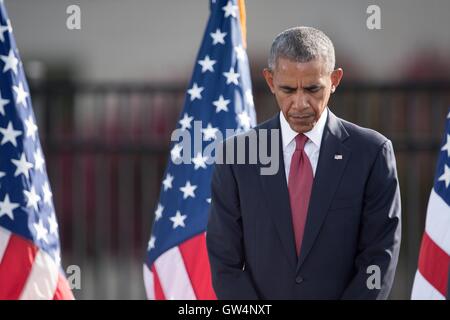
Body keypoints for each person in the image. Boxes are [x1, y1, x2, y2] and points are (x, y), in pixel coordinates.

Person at [206, 26, 401, 299]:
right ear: (270, 81)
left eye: (312, 89)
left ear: (334, 79)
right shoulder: (236, 156)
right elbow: (225, 263)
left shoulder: (372, 153)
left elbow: (378, 258)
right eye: (287, 89)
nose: (300, 103)